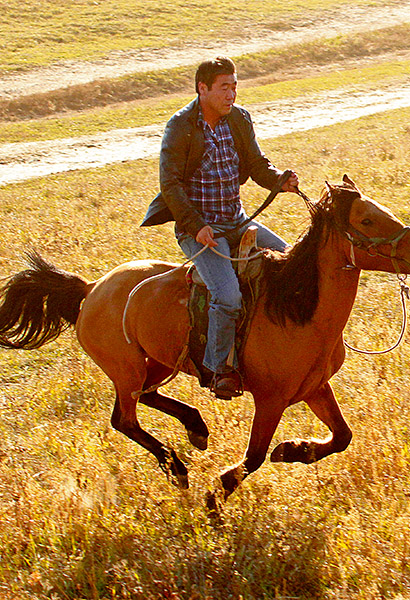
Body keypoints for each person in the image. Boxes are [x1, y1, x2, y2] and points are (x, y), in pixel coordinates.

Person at [141, 56, 299, 399]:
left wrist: (278, 179)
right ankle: (219, 369)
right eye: (224, 87)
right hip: (199, 229)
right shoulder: (180, 126)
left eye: (235, 85)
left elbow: (258, 165)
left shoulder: (239, 119)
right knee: (227, 295)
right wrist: (196, 225)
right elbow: (170, 185)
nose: (232, 93)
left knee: (290, 260)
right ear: (203, 89)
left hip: (238, 222)